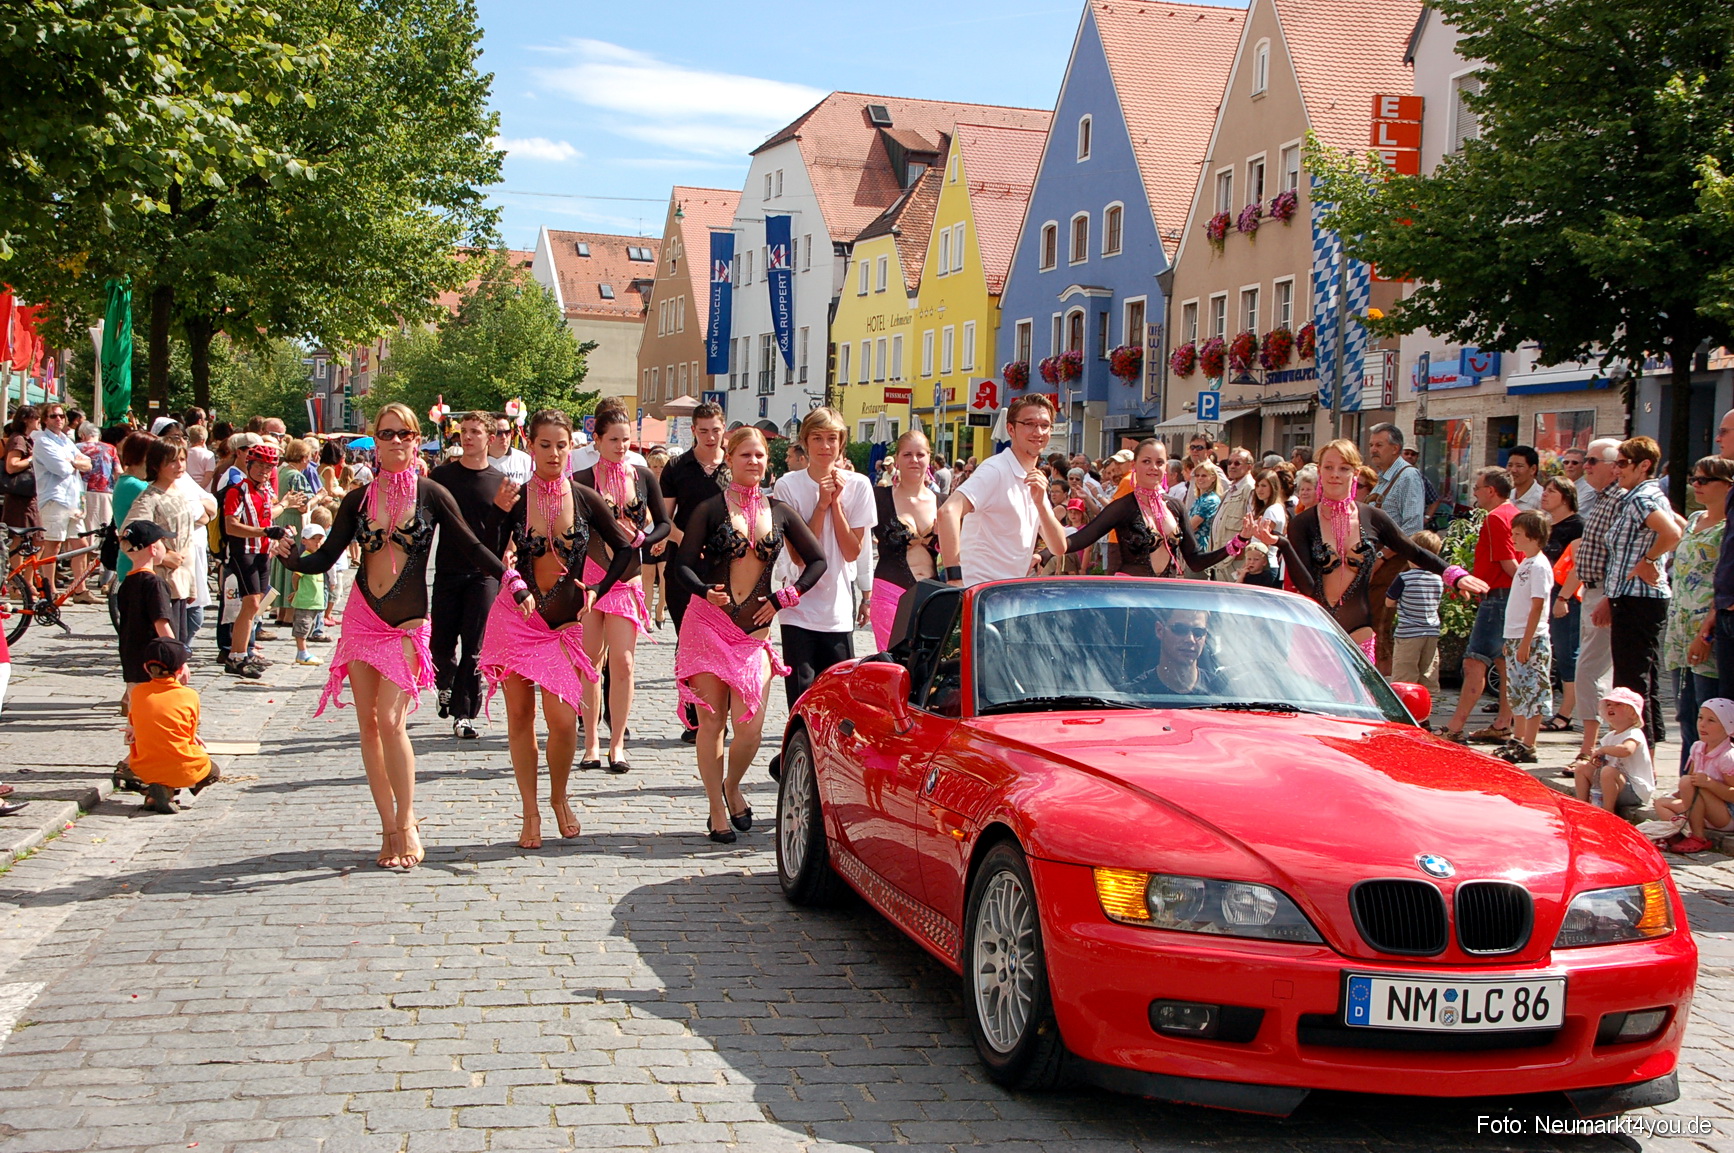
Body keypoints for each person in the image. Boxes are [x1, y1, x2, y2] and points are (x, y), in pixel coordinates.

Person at [275, 403, 511, 870]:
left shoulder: (431, 493)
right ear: (376, 441)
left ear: (416, 438)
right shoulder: (357, 499)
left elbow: (471, 544)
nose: (396, 441)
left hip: (406, 622)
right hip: (362, 617)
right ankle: (387, 827)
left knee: (390, 720)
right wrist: (290, 558)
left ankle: (407, 821)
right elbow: (326, 559)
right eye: (387, 434)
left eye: (405, 434)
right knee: (368, 725)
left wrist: (513, 580)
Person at [477, 409, 636, 849]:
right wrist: (497, 518)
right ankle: (530, 811)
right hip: (516, 620)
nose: (553, 453)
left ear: (572, 446)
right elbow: (484, 550)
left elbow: (624, 549)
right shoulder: (515, 497)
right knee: (520, 717)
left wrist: (599, 588)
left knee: (565, 722)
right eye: (544, 445)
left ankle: (559, 795)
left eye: (561, 445)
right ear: (530, 445)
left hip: (564, 625)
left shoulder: (585, 498)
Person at [671, 427, 826, 843]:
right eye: (745, 455)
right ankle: (716, 808)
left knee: (751, 729)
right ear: (730, 459)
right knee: (711, 722)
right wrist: (704, 590)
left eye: (760, 455)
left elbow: (817, 560)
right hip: (707, 625)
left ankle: (732, 785)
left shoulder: (780, 512)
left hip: (753, 634)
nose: (754, 461)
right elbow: (680, 565)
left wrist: (785, 597)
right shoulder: (708, 509)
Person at [1253, 440, 1487, 665]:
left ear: (1355, 474)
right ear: (1320, 472)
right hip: (1316, 630)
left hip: (1359, 631)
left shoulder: (1373, 517)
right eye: (1329, 467)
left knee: (1358, 693)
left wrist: (1454, 575)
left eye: (1344, 468)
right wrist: (1284, 545)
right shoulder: (1303, 523)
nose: (1335, 474)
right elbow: (1307, 587)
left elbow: (1414, 551)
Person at [573, 404, 669, 772]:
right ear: (597, 440)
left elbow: (664, 523)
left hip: (627, 578)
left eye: (626, 439)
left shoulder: (643, 476)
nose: (621, 445)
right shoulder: (581, 479)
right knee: (590, 663)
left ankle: (617, 742)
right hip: (591, 577)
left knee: (624, 663)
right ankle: (591, 742)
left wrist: (644, 538)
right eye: (613, 439)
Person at [772, 407, 875, 711]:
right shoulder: (788, 485)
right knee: (801, 700)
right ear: (805, 442)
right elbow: (799, 556)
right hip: (798, 606)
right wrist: (820, 506)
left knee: (838, 703)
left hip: (837, 608)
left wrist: (836, 505)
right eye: (817, 438)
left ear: (841, 442)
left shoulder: (859, 485)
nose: (825, 446)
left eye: (832, 438)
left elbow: (852, 551)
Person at [427, 412, 510, 740]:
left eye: (475, 431)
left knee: (474, 647)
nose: (468, 437)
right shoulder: (442, 476)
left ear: (490, 438)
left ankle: (464, 714)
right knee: (441, 644)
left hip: (483, 575)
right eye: (464, 431)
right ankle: (445, 685)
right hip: (448, 570)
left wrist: (509, 556)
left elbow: (508, 531)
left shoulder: (500, 481)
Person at [936, 395, 1073, 587]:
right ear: (1011, 429)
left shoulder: (1035, 479)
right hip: (979, 590)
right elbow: (947, 511)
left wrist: (1042, 504)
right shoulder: (995, 470)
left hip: (1008, 593)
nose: (1038, 432)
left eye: (1045, 425)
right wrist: (955, 577)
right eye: (1029, 424)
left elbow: (1058, 547)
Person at [1059, 439, 1242, 578]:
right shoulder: (1124, 507)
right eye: (1146, 461)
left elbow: (1195, 561)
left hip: (1163, 595)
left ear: (1166, 467)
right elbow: (1079, 540)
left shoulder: (1175, 506)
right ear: (1134, 465)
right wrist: (1047, 527)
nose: (1153, 467)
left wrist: (1238, 541)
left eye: (1159, 462)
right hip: (1131, 595)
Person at [1602, 435, 1681, 748]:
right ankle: (1646, 749)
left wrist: (1649, 560)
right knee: (1643, 678)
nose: (1616, 470)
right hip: (1637, 597)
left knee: (1631, 682)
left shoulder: (1641, 498)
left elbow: (1672, 532)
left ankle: (1635, 752)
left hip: (1637, 598)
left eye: (1623, 464)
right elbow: (1679, 527)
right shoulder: (1648, 494)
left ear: (1644, 465)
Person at [657, 404, 728, 742]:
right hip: (684, 566)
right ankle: (693, 715)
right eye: (703, 431)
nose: (710, 437)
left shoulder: (734, 465)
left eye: (715, 430)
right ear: (693, 431)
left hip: (726, 566)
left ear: (724, 429)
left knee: (722, 642)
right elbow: (663, 520)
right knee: (689, 639)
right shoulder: (677, 467)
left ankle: (718, 712)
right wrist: (688, 541)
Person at [1436, 468, 1520, 743]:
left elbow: (1508, 562)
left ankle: (1455, 726)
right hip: (1507, 597)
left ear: (1491, 491)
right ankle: (1503, 723)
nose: (1474, 492)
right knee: (1503, 662)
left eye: (1478, 487)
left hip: (1497, 596)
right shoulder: (1515, 514)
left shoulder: (1496, 518)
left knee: (1475, 661)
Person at [1557, 438, 1624, 767]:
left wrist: (1610, 596)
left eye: (1593, 461)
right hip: (1592, 590)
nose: (1586, 466)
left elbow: (1622, 555)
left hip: (1606, 593)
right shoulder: (1600, 499)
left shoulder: (1621, 500)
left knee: (1590, 671)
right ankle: (1597, 745)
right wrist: (1566, 594)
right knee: (1590, 670)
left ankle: (1591, 748)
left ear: (1614, 467)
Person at [1665, 457, 1733, 769]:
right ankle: (1686, 778)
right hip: (1679, 626)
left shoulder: (1726, 528)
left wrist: (1706, 631)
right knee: (1684, 712)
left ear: (1728, 486)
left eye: (1705, 480)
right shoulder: (1693, 520)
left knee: (1708, 711)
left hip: (1707, 627)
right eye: (1694, 478)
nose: (1696, 485)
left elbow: (1723, 581)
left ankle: (1707, 779)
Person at [222, 443, 305, 679]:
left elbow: (268, 514)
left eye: (268, 467)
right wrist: (265, 532)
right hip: (244, 552)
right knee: (250, 603)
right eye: (259, 465)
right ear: (249, 464)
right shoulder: (237, 491)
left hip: (263, 552)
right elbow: (231, 526)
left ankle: (242, 653)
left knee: (256, 605)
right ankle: (236, 656)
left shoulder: (266, 491)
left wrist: (285, 505)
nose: (264, 471)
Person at [121, 637, 220, 814]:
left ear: (146, 668)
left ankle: (156, 794)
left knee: (160, 757)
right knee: (213, 772)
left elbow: (137, 723)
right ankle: (167, 790)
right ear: (181, 669)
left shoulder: (137, 692)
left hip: (143, 768)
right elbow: (190, 733)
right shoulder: (189, 695)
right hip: (180, 767)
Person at [121, 440, 199, 645]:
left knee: (180, 643)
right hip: (160, 585)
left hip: (180, 582)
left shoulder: (179, 492)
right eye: (172, 461)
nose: (179, 465)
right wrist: (162, 557)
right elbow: (128, 538)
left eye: (182, 459)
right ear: (156, 464)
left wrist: (191, 584)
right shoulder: (149, 498)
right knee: (165, 647)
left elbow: (187, 539)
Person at [869, 429, 940, 650]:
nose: (914, 460)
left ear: (929, 458)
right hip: (890, 592)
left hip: (934, 597)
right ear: (897, 459)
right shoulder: (878, 498)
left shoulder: (945, 502)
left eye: (920, 454)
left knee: (930, 664)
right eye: (907, 454)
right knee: (892, 660)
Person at [1496, 511, 1555, 764]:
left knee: (1533, 691)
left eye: (1518, 534)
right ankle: (1518, 738)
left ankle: (1529, 743)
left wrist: (1527, 641)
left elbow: (1537, 604)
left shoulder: (1540, 566)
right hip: (1515, 636)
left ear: (1533, 537)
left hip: (1530, 638)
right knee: (1517, 691)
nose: (1514, 538)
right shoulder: (1526, 563)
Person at [30, 403, 92, 608]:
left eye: (61, 416)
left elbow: (88, 463)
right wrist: (74, 463)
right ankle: (50, 591)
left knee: (81, 545)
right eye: (53, 416)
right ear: (45, 419)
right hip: (54, 498)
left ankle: (80, 589)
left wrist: (73, 461)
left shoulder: (66, 440)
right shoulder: (42, 441)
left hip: (74, 498)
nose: (58, 419)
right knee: (53, 544)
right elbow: (61, 469)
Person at [1654, 698, 1734, 854]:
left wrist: (1710, 784)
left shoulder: (1728, 756)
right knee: (1661, 803)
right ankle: (1678, 833)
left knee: (1688, 782)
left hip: (1725, 816)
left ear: (1727, 726)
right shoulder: (1698, 747)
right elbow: (1690, 779)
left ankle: (1698, 837)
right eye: (1700, 718)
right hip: (1701, 809)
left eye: (1711, 720)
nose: (1702, 724)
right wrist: (1674, 797)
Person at [116, 521, 179, 709]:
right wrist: (177, 657)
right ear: (153, 548)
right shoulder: (155, 583)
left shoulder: (126, 583)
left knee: (136, 712)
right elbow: (161, 624)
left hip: (131, 660)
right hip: (156, 663)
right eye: (163, 542)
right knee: (156, 711)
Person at [1540, 477, 1584, 732]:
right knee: (1554, 652)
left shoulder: (1576, 526)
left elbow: (1578, 567)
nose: (1544, 494)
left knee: (1568, 653)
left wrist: (1563, 598)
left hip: (1566, 596)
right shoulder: (1548, 525)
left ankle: (1566, 713)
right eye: (1545, 490)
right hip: (1547, 593)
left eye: (1551, 491)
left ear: (1566, 497)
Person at [1385, 529, 1446, 696]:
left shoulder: (1404, 578)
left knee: (1405, 673)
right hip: (1431, 632)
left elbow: (1389, 602)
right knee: (1428, 672)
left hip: (1408, 633)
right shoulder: (1438, 579)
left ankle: (1406, 704)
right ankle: (1427, 704)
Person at [1573, 688, 1653, 815]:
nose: (1611, 707)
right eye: (1609, 704)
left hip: (1634, 790)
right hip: (1610, 786)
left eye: (1618, 704)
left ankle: (1608, 810)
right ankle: (1582, 806)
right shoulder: (1609, 737)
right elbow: (1606, 762)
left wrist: (1604, 750)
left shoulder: (1634, 733)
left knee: (1609, 772)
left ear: (1633, 712)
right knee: (1582, 767)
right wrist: (1597, 761)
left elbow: (1626, 750)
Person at [1207, 449, 1255, 582]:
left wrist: (1243, 556)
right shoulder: (1230, 490)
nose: (1232, 466)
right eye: (1230, 463)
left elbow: (1253, 526)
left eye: (1237, 463)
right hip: (1221, 560)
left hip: (1236, 562)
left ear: (1249, 467)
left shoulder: (1250, 489)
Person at [289, 521, 329, 667]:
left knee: (309, 627)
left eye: (320, 539)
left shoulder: (318, 558)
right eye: (313, 539)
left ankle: (304, 651)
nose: (317, 542)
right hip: (305, 600)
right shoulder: (305, 559)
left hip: (314, 601)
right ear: (304, 541)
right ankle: (302, 652)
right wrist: (297, 591)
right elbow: (296, 576)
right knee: (302, 626)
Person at [1240, 470, 1288, 587]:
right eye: (1257, 486)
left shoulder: (1272, 510)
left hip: (1264, 567)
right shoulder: (1273, 508)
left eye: (1264, 486)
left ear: (1273, 487)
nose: (1259, 490)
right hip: (1263, 565)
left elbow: (1264, 543)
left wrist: (1247, 566)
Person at [1187, 461, 1224, 554]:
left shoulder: (1211, 500)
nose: (1200, 478)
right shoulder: (1200, 499)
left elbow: (1190, 526)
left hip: (1201, 547)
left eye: (1204, 476)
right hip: (1191, 545)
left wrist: (1186, 526)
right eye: (1197, 475)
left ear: (1213, 478)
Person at [488, 415, 533, 486]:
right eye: (498, 433)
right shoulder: (477, 460)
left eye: (507, 432)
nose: (504, 437)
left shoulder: (525, 460)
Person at [1506, 445, 1543, 511]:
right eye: (1510, 465)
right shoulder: (1507, 495)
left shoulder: (1542, 499)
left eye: (1519, 466)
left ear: (1533, 469)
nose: (1513, 470)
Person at [185, 424, 216, 491]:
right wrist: (199, 489)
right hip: (204, 491)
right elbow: (209, 475)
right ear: (203, 440)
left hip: (187, 488)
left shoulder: (184, 453)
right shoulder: (209, 454)